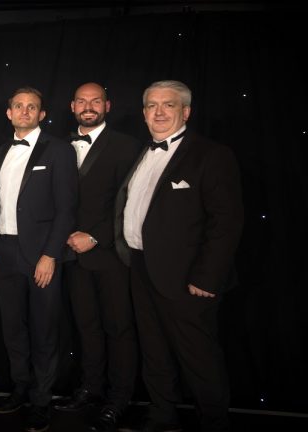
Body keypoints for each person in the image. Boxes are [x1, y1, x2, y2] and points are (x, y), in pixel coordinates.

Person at [114, 80, 243, 432]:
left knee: (198, 356)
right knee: (154, 351)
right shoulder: (144, 151)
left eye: (168, 105)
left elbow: (226, 223)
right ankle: (162, 415)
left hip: (188, 277)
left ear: (185, 111)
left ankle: (214, 422)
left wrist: (206, 277)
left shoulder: (211, 155)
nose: (159, 112)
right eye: (152, 106)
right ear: (143, 113)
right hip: (140, 267)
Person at [0, 87, 78, 432]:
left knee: (43, 331)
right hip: (6, 252)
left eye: (32, 107)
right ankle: (19, 389)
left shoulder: (59, 150)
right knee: (12, 329)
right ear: (9, 112)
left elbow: (66, 209)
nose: (25, 111)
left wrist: (51, 254)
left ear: (42, 115)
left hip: (41, 255)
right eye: (19, 106)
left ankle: (41, 400)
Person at [53, 83, 141, 432]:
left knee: (118, 329)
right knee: (86, 327)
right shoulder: (58, 146)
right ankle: (90, 388)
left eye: (95, 101)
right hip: (71, 256)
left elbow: (132, 202)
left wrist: (95, 236)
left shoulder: (127, 146)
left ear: (107, 105)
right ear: (73, 105)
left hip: (109, 256)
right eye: (82, 102)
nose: (88, 107)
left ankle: (119, 399)